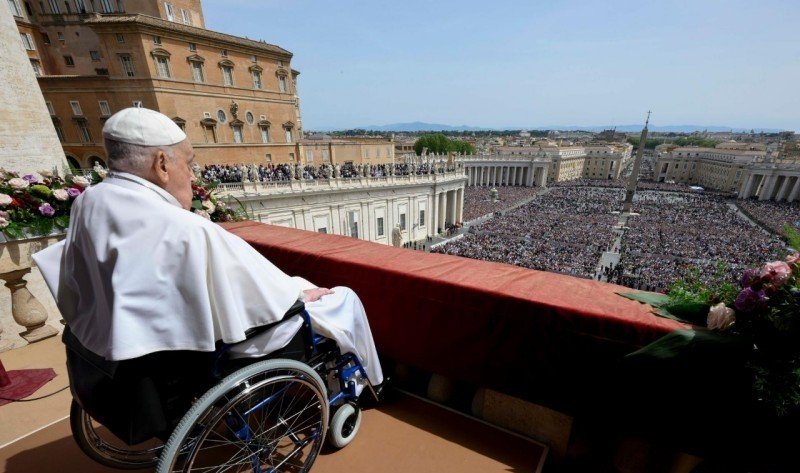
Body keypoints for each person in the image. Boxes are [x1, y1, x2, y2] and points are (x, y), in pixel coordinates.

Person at [33, 107, 383, 392]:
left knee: (297, 284)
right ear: (162, 164)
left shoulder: (90, 201)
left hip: (122, 346)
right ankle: (371, 381)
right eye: (189, 163)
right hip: (214, 350)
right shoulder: (186, 228)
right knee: (343, 297)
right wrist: (300, 295)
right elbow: (265, 299)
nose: (193, 175)